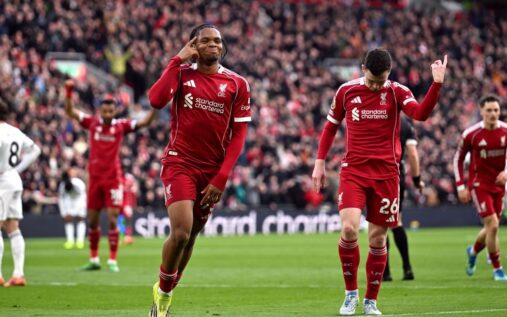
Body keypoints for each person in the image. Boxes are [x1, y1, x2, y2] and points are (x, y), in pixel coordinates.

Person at [312, 48, 447, 315]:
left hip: (387, 175)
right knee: (349, 230)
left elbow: (420, 114)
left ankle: (371, 301)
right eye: (372, 80)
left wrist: (437, 84)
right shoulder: (346, 91)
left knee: (377, 239)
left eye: (381, 80)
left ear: (389, 72)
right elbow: (330, 126)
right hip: (354, 171)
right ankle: (351, 294)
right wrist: (319, 162)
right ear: (363, 68)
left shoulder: (397, 91)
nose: (376, 86)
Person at [147, 24, 251, 317]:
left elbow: (239, 136)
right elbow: (155, 100)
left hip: (212, 171)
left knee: (191, 237)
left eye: (217, 41)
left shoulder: (237, 84)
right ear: (194, 44)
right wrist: (176, 60)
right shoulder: (181, 74)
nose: (213, 45)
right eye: (205, 41)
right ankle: (164, 297)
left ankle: (164, 290)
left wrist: (221, 177)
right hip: (179, 162)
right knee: (179, 233)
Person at [64, 80, 156, 272]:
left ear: (115, 111)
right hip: (95, 179)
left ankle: (112, 260)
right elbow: (71, 111)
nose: (107, 114)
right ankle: (94, 258)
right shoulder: (92, 123)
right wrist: (69, 91)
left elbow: (146, 121)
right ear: (99, 111)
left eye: (110, 111)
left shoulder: (121, 126)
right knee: (93, 220)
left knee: (113, 219)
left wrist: (155, 104)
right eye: (104, 111)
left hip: (113, 179)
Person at [454, 95, 507, 281]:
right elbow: (458, 159)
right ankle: (497, 269)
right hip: (479, 184)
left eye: (496, 110)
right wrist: (460, 186)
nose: (493, 114)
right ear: (481, 111)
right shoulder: (471, 134)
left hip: (500, 186)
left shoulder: (505, 131)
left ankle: (473, 251)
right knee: (492, 225)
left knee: (492, 227)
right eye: (489, 110)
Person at [0, 99, 41, 287]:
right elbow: (35, 150)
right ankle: (18, 274)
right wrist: (18, 168)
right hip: (14, 180)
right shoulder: (14, 131)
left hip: (1, 181)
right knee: (13, 227)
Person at [383, 117, 424, 281]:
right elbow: (412, 154)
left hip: (374, 175)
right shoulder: (406, 123)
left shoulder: (374, 115)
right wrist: (416, 179)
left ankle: (384, 272)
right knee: (396, 221)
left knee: (379, 224)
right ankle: (407, 268)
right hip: (395, 177)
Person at [58, 167, 87, 250]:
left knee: (80, 219)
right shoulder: (63, 184)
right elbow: (61, 196)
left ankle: (80, 241)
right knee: (68, 220)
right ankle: (70, 241)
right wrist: (62, 210)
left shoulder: (79, 182)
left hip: (79, 203)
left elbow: (80, 193)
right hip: (69, 204)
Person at [119, 172, 137, 245]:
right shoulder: (129, 182)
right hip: (126, 204)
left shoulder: (120, 180)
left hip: (120, 204)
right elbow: (133, 192)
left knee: (121, 220)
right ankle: (127, 236)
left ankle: (121, 237)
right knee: (127, 221)